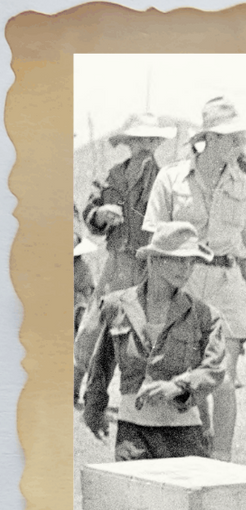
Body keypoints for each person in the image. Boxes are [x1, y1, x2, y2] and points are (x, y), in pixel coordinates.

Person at [143, 96, 246, 463]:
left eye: (238, 137)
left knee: (223, 376)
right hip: (183, 280)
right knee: (182, 372)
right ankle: (187, 448)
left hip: (226, 282)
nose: (235, 144)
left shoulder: (245, 187)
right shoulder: (171, 178)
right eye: (227, 137)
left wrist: (243, 297)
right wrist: (157, 296)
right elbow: (154, 242)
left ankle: (221, 458)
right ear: (207, 137)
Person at [81, 221, 226, 461]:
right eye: (178, 259)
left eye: (191, 261)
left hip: (184, 433)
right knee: (135, 497)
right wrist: (94, 408)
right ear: (154, 259)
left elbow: (215, 369)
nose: (186, 268)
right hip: (133, 434)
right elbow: (102, 365)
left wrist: (178, 386)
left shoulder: (204, 315)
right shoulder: (118, 306)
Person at [75, 113, 176, 399]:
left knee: (140, 332)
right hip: (117, 261)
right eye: (138, 140)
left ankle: (134, 395)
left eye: (150, 140)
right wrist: (101, 215)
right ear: (128, 143)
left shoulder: (164, 179)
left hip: (148, 265)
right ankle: (72, 384)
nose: (145, 145)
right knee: (94, 324)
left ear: (157, 143)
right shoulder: (113, 176)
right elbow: (89, 212)